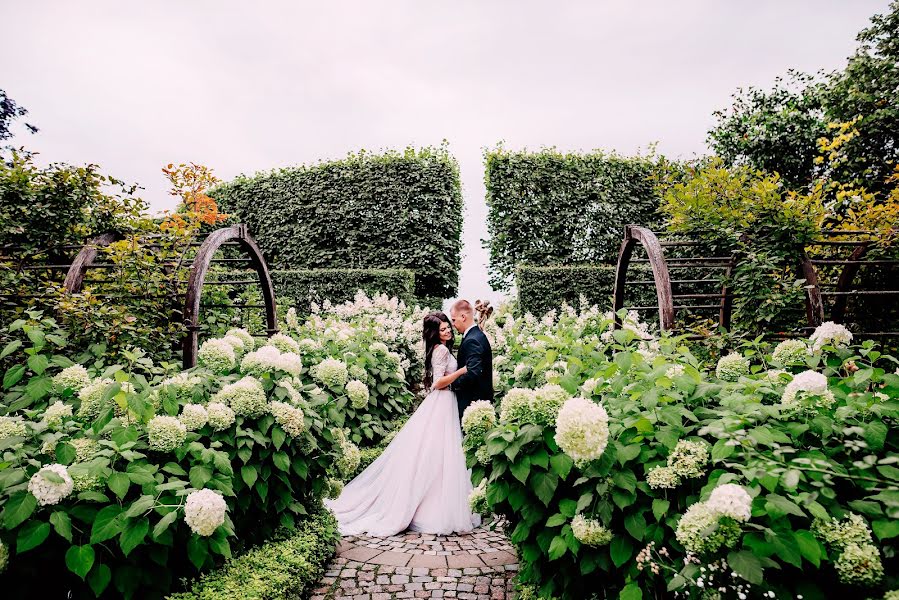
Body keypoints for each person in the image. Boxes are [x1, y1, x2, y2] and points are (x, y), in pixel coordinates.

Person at [323, 311, 480, 536]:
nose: (447, 331)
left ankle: (432, 504)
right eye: (443, 329)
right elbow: (438, 382)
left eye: (448, 327)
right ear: (434, 333)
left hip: (443, 403)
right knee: (440, 452)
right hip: (443, 401)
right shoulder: (442, 349)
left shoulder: (440, 348)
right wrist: (463, 371)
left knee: (436, 453)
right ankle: (437, 507)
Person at [446, 299, 494, 426]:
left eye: (454, 319)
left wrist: (451, 384)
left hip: (472, 403)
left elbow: (473, 372)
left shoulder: (472, 340)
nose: (453, 324)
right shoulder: (476, 335)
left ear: (463, 317)